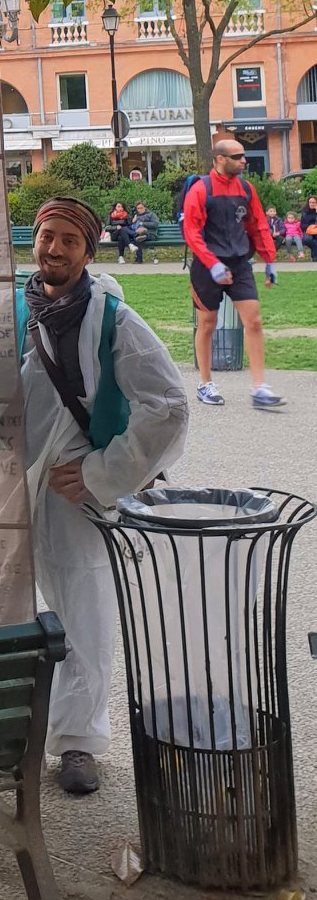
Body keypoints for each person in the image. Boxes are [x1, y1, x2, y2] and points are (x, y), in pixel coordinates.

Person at [20, 197, 188, 796]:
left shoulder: (113, 319)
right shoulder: (15, 308)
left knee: (81, 616)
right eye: (47, 236)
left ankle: (78, 743)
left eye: (70, 239)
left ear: (89, 251)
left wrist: (101, 472)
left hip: (71, 496)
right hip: (11, 488)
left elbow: (168, 405)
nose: (55, 248)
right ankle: (5, 737)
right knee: (2, 614)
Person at [182, 138, 283, 409]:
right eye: (237, 156)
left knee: (255, 322)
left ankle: (259, 388)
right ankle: (205, 384)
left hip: (239, 264)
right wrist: (212, 264)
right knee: (207, 324)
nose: (243, 160)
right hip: (207, 266)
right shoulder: (201, 190)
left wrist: (269, 261)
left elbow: (259, 224)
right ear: (219, 159)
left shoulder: (246, 189)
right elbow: (191, 231)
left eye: (243, 155)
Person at [300, 194, 317, 261]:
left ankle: (315, 257)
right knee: (306, 240)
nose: (311, 204)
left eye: (313, 202)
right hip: (309, 231)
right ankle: (315, 255)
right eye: (310, 202)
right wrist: (310, 227)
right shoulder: (305, 212)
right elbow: (302, 225)